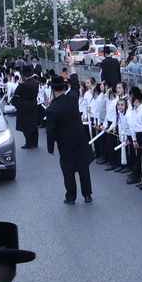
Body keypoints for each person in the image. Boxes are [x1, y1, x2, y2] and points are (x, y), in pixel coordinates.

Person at [44, 75, 92, 205]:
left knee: (68, 170)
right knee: (83, 167)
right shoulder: (72, 98)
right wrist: (72, 68)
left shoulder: (51, 109)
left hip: (65, 143)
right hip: (79, 138)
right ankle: (87, 195)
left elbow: (50, 131)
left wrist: (50, 148)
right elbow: (75, 84)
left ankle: (71, 197)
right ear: (64, 87)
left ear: (53, 90)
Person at [11, 66, 42, 149]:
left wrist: (16, 104)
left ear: (23, 75)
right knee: (34, 124)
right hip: (33, 105)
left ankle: (29, 143)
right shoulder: (36, 82)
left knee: (25, 126)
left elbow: (15, 96)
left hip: (23, 107)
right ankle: (35, 142)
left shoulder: (23, 85)